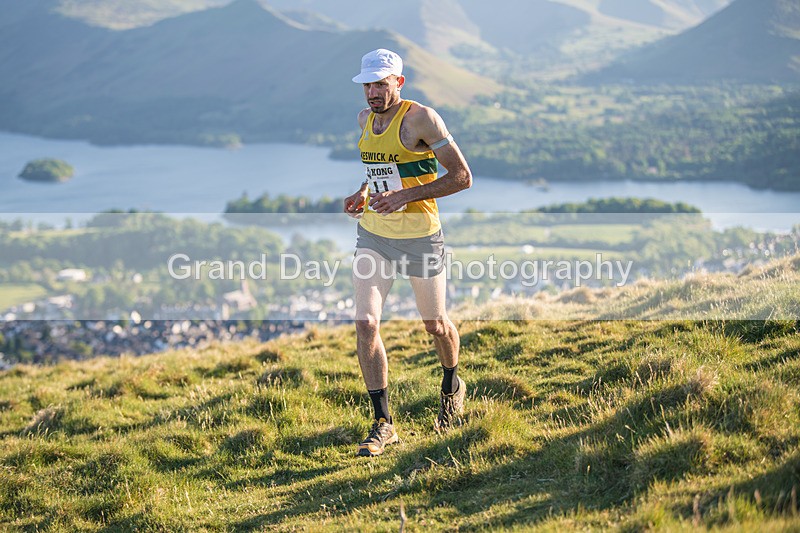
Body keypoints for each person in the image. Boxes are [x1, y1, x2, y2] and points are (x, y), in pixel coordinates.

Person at [343, 49, 473, 457]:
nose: (373, 92)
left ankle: (452, 385)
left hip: (421, 236)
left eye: (381, 84)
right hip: (374, 235)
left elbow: (462, 177)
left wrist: (406, 196)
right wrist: (363, 192)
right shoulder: (365, 120)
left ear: (399, 82)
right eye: (368, 84)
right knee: (365, 325)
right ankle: (383, 424)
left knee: (435, 324)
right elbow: (380, 167)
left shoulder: (422, 118)